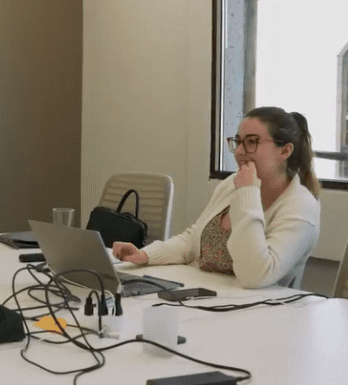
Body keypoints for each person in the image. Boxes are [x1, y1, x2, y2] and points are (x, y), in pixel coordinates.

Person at [112, 107, 322, 289]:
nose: (240, 151)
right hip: (209, 297)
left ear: (285, 150)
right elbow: (193, 241)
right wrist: (146, 255)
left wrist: (247, 193)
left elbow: (255, 275)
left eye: (252, 142)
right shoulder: (232, 183)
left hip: (261, 316)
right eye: (238, 142)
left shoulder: (301, 207)